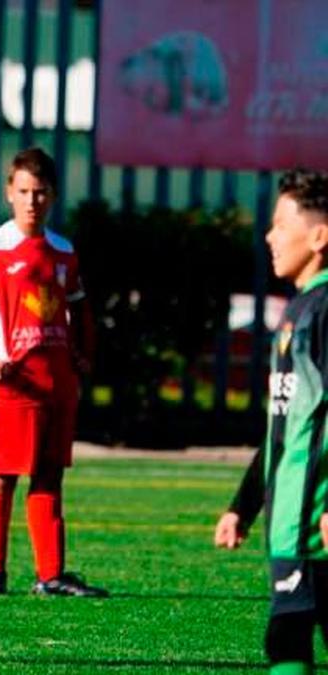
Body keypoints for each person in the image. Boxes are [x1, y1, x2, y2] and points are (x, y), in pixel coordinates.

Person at [0, 147, 105, 597]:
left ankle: (50, 574)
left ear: (52, 195)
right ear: (9, 194)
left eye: (39, 192)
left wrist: (82, 353)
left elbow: (80, 309)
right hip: (11, 387)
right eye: (23, 192)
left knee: (50, 474)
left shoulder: (63, 251)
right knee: (1, 472)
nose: (32, 201)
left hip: (56, 384)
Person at [216, 169, 328, 675]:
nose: (269, 236)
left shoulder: (323, 311)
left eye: (281, 224)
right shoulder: (297, 311)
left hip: (314, 523)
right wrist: (244, 507)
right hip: (288, 521)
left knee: (287, 636)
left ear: (320, 237)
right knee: (288, 636)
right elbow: (281, 429)